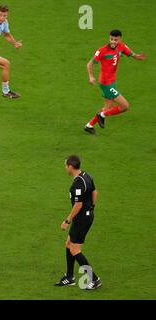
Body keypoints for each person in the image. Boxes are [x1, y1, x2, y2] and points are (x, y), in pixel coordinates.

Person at [84, 29, 146, 134]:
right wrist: (91, 76)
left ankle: (89, 125)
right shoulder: (102, 51)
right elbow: (89, 64)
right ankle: (101, 115)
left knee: (107, 107)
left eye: (115, 40)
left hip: (112, 82)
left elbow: (132, 54)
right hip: (106, 83)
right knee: (125, 106)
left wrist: (138, 57)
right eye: (111, 39)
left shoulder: (121, 46)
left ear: (120, 39)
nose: (113, 42)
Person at [55, 155, 102, 290]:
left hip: (82, 219)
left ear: (70, 166)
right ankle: (69, 277)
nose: (65, 168)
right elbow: (95, 192)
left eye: (66, 166)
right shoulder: (87, 175)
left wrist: (67, 220)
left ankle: (94, 279)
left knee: (75, 249)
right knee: (68, 244)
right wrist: (91, 208)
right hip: (84, 216)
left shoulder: (78, 183)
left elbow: (78, 205)